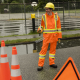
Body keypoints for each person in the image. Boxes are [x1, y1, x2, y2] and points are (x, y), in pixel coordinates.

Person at [37, 2, 62, 71]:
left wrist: (59, 36)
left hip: (54, 37)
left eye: (47, 9)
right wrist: (40, 29)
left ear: (51, 9)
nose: (46, 10)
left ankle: (52, 63)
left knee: (52, 51)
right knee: (43, 51)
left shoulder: (56, 17)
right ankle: (40, 65)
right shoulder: (43, 17)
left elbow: (59, 27)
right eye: (46, 9)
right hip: (46, 37)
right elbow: (42, 25)